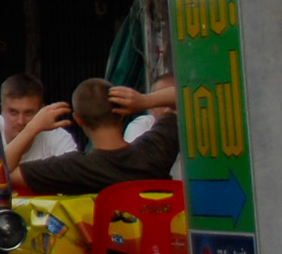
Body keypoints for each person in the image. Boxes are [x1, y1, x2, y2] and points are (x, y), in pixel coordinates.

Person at [18, 77, 178, 194]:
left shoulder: (74, 169)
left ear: (78, 119)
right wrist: (144, 101)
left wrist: (31, 128)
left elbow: (0, 175)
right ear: (122, 113)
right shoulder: (155, 150)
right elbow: (187, 93)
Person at [0, 73, 77, 189]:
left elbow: (73, 177)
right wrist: (31, 130)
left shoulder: (59, 137)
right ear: (2, 109)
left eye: (29, 113)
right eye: (13, 112)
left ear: (41, 111)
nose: (21, 121)